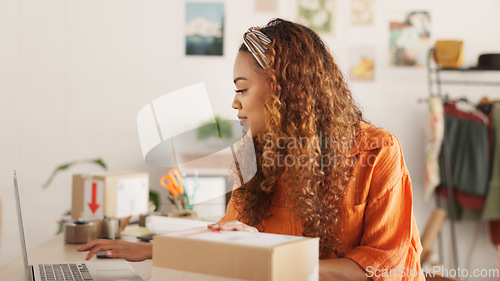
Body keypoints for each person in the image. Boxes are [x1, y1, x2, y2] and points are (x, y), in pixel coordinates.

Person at [78, 18, 424, 281]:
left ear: (285, 90)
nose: (234, 102)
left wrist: (272, 255)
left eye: (242, 89)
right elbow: (231, 236)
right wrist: (153, 249)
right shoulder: (251, 154)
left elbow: (385, 267)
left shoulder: (377, 150)